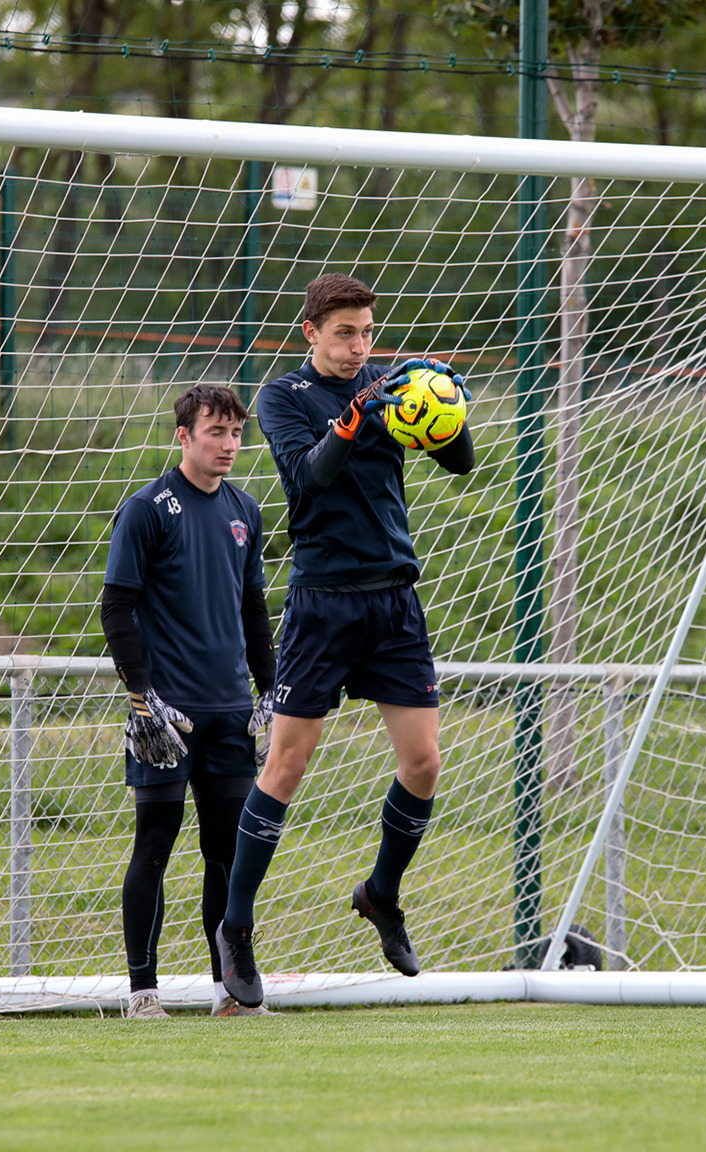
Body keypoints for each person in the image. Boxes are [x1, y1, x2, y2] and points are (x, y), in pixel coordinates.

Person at [215, 273, 475, 1008]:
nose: (359, 346)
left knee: (423, 763)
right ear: (310, 333)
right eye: (344, 334)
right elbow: (307, 479)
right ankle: (235, 929)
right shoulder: (284, 398)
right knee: (287, 767)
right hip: (323, 603)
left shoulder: (391, 390)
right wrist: (355, 419)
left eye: (366, 332)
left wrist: (447, 410)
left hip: (394, 599)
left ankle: (381, 894)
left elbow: (462, 465)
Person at [99, 383, 277, 1019]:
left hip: (231, 712)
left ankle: (228, 992)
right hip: (166, 714)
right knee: (154, 843)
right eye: (215, 432)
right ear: (184, 436)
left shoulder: (246, 510)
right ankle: (142, 993)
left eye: (236, 433)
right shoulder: (147, 508)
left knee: (227, 856)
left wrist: (270, 686)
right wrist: (140, 693)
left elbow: (252, 606)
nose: (229, 445)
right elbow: (116, 605)